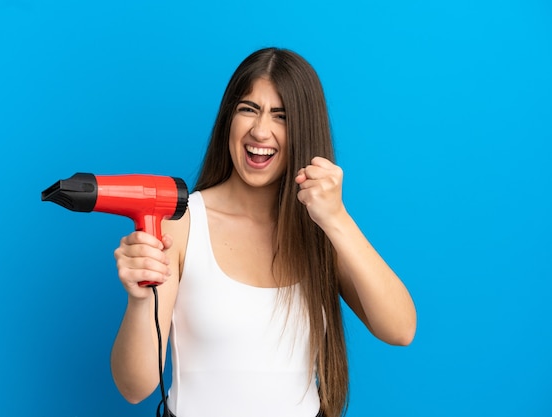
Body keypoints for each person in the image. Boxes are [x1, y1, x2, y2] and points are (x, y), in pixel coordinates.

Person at [110, 47, 417, 417]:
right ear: (229, 119)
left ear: (304, 129)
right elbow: (134, 387)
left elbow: (400, 329)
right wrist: (139, 299)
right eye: (248, 109)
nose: (260, 130)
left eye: (281, 115)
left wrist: (337, 219)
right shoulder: (183, 223)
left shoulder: (321, 231)